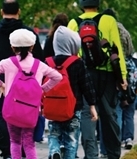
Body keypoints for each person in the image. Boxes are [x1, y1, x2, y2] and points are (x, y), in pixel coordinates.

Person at [0, 0, 43, 158]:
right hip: (28, 84)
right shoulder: (29, 34)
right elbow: (41, 59)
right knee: (27, 112)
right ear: (19, 12)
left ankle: (8, 149)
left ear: (2, 12)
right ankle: (24, 148)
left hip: (3, 84)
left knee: (3, 114)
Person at [67, 0, 127, 159]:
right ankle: (113, 154)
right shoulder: (109, 20)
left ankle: (91, 155)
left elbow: (69, 53)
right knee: (109, 115)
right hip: (106, 75)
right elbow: (117, 50)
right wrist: (122, 77)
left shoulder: (73, 23)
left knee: (87, 116)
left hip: (83, 74)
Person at [0, 28, 62, 159]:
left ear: (12, 46)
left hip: (11, 109)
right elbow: (57, 77)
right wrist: (42, 88)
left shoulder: (8, 63)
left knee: (14, 141)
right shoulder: (39, 65)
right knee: (29, 143)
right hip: (31, 110)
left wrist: (1, 84)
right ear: (32, 46)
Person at [46, 26, 98, 159]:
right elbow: (87, 85)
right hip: (74, 108)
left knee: (53, 135)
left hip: (52, 108)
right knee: (71, 140)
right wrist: (92, 105)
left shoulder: (48, 62)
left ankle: (54, 152)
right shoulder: (77, 62)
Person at [99, 8, 136, 154]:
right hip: (128, 68)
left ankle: (116, 139)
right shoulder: (124, 31)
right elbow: (130, 50)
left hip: (111, 71)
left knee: (115, 111)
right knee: (129, 108)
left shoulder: (104, 30)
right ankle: (128, 138)